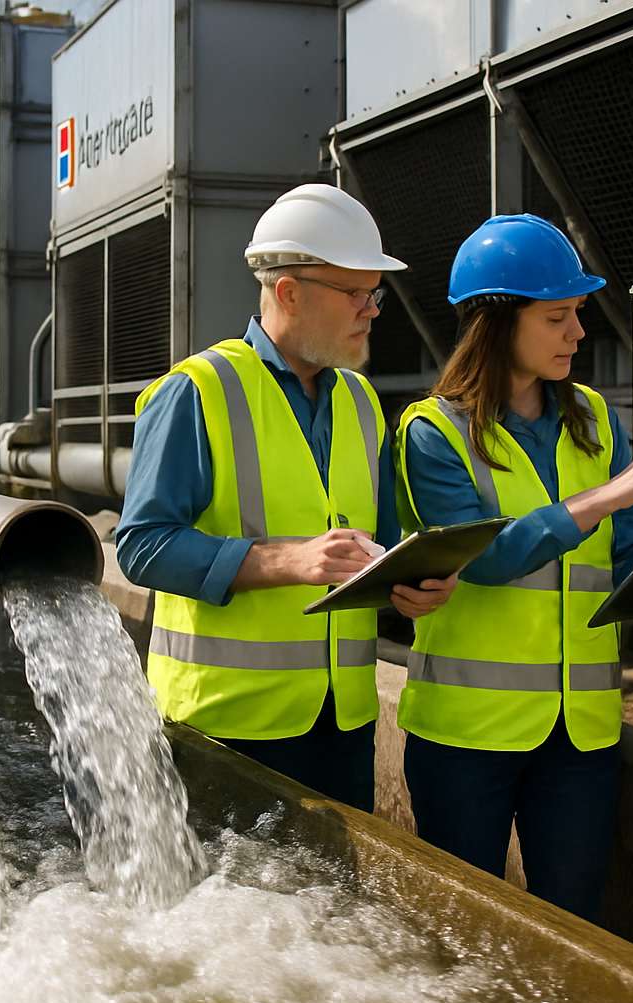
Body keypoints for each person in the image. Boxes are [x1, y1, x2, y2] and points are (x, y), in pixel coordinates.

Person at [394, 213, 633, 922]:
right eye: (558, 317)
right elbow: (489, 556)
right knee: (462, 936)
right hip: (467, 737)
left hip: (581, 737)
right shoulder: (433, 433)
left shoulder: (593, 417)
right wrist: (611, 492)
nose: (578, 333)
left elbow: (625, 548)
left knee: (575, 927)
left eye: (578, 315)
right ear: (499, 325)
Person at [116, 184, 456, 813]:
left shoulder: (361, 402)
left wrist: (410, 585)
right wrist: (286, 562)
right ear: (289, 291)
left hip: (343, 724)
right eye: (355, 293)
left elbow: (375, 543)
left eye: (373, 294)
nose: (372, 310)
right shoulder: (198, 390)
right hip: (224, 730)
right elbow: (141, 546)